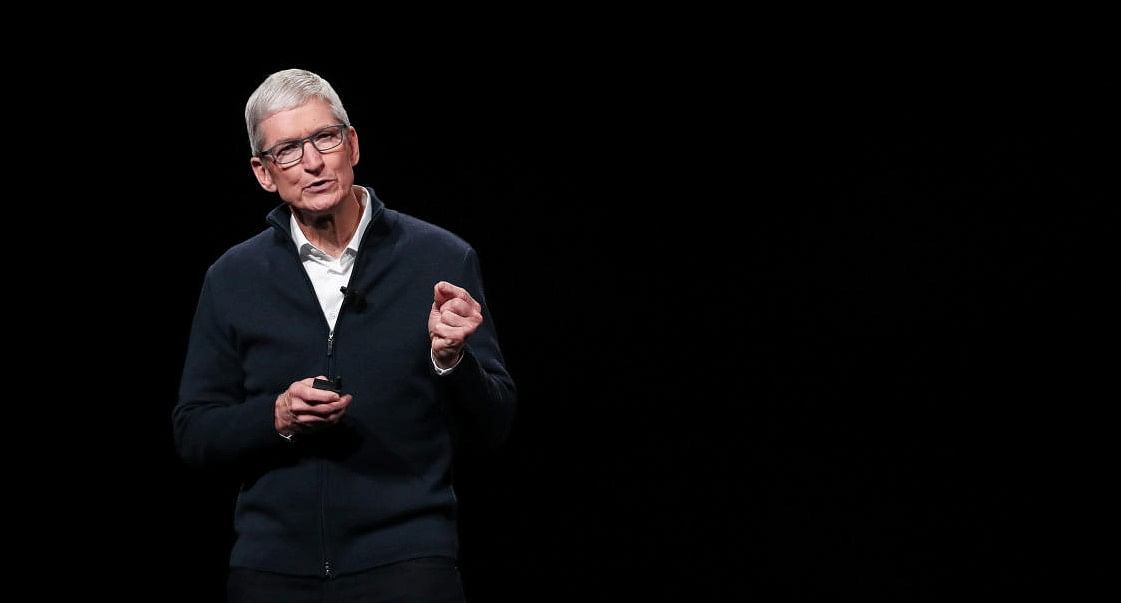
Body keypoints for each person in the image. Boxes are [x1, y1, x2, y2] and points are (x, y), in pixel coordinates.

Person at [173, 68, 516, 603]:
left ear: (351, 144)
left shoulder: (441, 259)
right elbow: (194, 433)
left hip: (407, 564)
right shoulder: (232, 278)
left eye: (324, 138)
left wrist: (451, 360)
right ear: (263, 173)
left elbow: (494, 426)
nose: (312, 162)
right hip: (272, 572)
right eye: (287, 150)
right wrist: (277, 416)